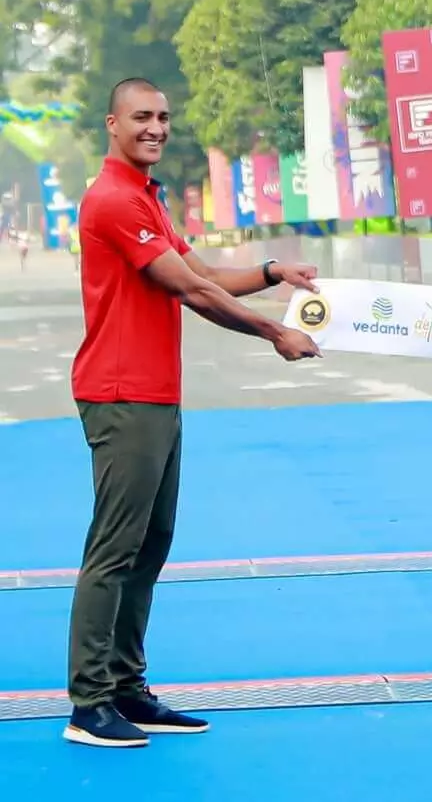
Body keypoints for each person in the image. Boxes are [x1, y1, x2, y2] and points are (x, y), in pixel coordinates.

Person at [65, 80, 321, 750]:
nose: (156, 127)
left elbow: (202, 272)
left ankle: (126, 687)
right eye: (142, 117)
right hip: (122, 393)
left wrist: (272, 272)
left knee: (150, 544)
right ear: (112, 123)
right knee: (114, 548)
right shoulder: (114, 199)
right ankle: (89, 703)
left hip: (155, 392)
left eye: (163, 117)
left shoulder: (145, 197)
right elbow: (191, 292)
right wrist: (275, 333)